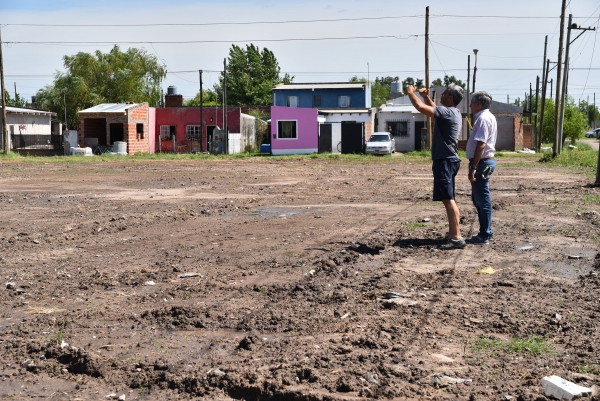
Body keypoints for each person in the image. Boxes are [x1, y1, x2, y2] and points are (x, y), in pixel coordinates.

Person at [406, 84, 465, 249]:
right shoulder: (452, 112)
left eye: (445, 93)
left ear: (451, 98)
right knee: (449, 199)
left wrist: (410, 93)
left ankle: (456, 238)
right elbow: (434, 110)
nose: (442, 95)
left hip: (445, 161)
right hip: (449, 160)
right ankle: (454, 234)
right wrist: (426, 97)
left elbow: (420, 108)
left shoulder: (448, 112)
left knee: (448, 199)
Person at [465, 91, 497, 245]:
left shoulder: (483, 119)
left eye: (472, 102)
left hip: (482, 163)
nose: (470, 105)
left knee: (482, 200)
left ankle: (485, 234)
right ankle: (485, 232)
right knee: (479, 199)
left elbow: (481, 145)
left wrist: (473, 167)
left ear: (479, 103)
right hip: (483, 162)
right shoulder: (486, 117)